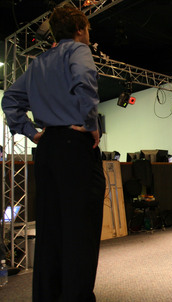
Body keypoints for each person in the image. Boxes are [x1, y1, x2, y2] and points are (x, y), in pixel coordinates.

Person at [2, 5, 105, 301]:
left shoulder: (36, 64)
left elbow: (9, 100)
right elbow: (84, 79)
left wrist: (33, 132)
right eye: (87, 31)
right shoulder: (78, 50)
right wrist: (91, 122)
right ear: (80, 29)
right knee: (80, 231)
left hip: (46, 152)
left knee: (50, 232)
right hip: (75, 147)